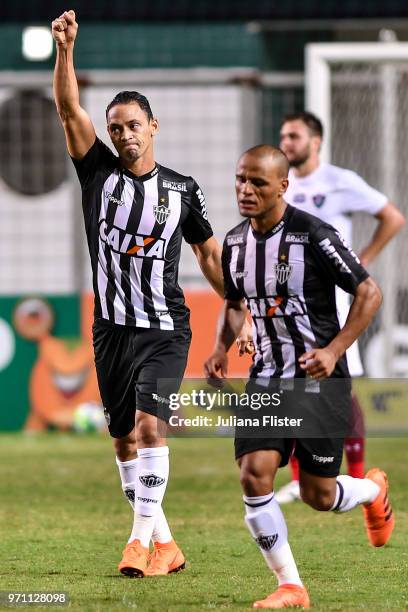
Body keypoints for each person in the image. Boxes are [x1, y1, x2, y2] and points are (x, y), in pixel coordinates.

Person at [51, 10, 251, 578]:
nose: (123, 134)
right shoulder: (97, 175)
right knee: (121, 442)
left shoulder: (182, 191)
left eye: (133, 124)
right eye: (115, 127)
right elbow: (68, 108)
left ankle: (137, 544)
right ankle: (165, 543)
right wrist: (65, 50)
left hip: (164, 326)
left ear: (153, 126)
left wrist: (241, 309)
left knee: (148, 429)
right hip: (110, 328)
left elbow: (209, 256)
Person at [205, 145, 394, 609]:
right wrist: (219, 348)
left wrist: (333, 350)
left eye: (258, 183)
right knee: (255, 473)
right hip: (266, 379)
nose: (245, 190)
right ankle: (291, 585)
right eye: (240, 180)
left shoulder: (314, 234)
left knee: (318, 494)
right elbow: (234, 304)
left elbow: (369, 292)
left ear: (283, 187)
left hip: (318, 382)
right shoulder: (234, 243)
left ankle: (372, 491)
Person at [274, 111, 405, 503]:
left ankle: (359, 475)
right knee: (292, 386)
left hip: (333, 304)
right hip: (289, 302)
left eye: (294, 136)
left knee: (342, 392)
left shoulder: (339, 182)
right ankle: (301, 478)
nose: (287, 143)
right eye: (283, 135)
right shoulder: (279, 183)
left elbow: (392, 217)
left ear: (315, 141)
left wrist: (363, 259)